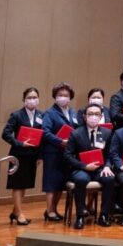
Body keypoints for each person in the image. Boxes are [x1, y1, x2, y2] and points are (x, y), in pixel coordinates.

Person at [64, 103, 116, 229]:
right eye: (90, 114)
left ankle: (103, 215)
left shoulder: (108, 133)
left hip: (100, 169)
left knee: (109, 179)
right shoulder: (75, 134)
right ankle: (80, 215)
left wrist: (108, 166)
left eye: (96, 114)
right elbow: (68, 156)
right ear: (84, 116)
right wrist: (84, 166)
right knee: (81, 180)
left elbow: (110, 154)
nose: (93, 116)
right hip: (81, 169)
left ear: (101, 116)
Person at [2, 87, 43, 225]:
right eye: (29, 97)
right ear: (24, 100)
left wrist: (39, 156)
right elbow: (6, 134)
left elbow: (42, 137)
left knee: (24, 185)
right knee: (17, 186)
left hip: (32, 156)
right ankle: (19, 214)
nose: (33, 100)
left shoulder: (41, 115)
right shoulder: (17, 115)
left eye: (35, 97)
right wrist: (20, 143)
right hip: (18, 156)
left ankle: (15, 212)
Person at [41, 82, 79, 222]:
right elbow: (45, 132)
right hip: (53, 152)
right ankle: (49, 211)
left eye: (66, 95)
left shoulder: (72, 112)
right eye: (60, 95)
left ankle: (54, 209)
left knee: (60, 183)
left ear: (70, 97)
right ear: (55, 97)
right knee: (51, 183)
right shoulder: (49, 113)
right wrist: (59, 141)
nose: (63, 97)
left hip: (67, 153)